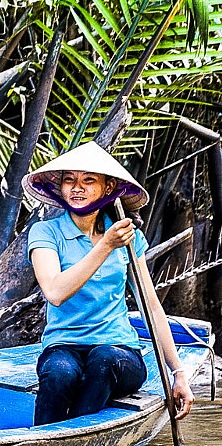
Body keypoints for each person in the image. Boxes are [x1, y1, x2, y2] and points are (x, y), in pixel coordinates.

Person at [24, 143, 194, 427]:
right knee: (59, 374)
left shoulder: (127, 237)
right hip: (63, 346)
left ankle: (76, 440)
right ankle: (41, 445)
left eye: (88, 180)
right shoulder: (46, 232)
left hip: (119, 352)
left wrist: (178, 373)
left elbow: (151, 307)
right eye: (70, 180)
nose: (77, 188)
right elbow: (55, 292)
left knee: (104, 360)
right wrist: (105, 245)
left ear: (107, 187)